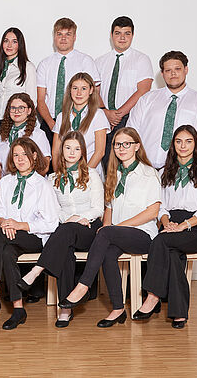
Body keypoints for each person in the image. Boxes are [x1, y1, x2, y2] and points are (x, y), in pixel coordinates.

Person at [60, 127, 161, 328]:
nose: (121, 148)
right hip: (117, 234)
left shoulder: (149, 174)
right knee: (106, 252)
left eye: (126, 144)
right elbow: (109, 208)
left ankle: (83, 285)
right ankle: (118, 309)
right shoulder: (114, 174)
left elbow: (153, 212)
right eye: (117, 144)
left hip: (143, 235)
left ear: (137, 146)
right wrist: (107, 227)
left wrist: (113, 228)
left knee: (105, 234)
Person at [0, 138, 59, 330]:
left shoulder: (43, 185)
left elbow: (51, 223)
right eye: (16, 155)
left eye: (24, 154)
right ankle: (18, 309)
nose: (20, 159)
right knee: (6, 252)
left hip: (35, 236)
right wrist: (4, 223)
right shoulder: (5, 182)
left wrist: (19, 225)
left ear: (34, 156)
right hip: (8, 235)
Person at [17, 131, 104, 328]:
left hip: (90, 227)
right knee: (65, 251)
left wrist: (79, 219)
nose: (72, 152)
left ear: (82, 152)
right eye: (68, 148)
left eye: (77, 149)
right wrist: (69, 220)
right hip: (66, 230)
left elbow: (98, 208)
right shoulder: (52, 178)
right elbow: (54, 210)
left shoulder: (92, 174)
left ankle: (37, 270)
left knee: (65, 232)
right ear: (61, 150)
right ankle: (65, 309)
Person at [133, 125, 197, 329]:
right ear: (173, 145)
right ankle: (179, 314)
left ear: (196, 144)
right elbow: (161, 206)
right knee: (171, 253)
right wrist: (166, 222)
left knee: (161, 241)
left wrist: (183, 226)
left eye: (188, 141)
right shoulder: (163, 173)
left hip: (196, 228)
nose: (183, 145)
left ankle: (152, 296)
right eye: (178, 141)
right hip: (170, 224)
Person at [127, 50, 197, 168]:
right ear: (162, 73)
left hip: (183, 172)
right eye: (168, 70)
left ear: (186, 70)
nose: (173, 73)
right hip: (145, 169)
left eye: (177, 69)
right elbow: (130, 134)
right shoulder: (146, 99)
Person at [95, 16, 153, 170]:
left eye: (127, 33)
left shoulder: (142, 60)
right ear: (111, 35)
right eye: (118, 33)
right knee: (107, 163)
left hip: (129, 118)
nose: (122, 37)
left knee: (127, 162)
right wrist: (106, 112)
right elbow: (94, 91)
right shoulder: (100, 61)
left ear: (133, 35)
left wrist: (118, 114)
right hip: (105, 117)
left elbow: (143, 89)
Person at [36, 18, 100, 145]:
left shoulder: (86, 61)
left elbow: (94, 94)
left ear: (74, 37)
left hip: (78, 120)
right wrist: (52, 124)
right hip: (50, 121)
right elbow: (40, 100)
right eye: (59, 34)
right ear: (54, 37)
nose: (63, 38)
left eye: (68, 34)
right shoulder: (44, 64)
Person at [51, 73, 109, 175]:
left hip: (90, 173)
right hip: (65, 174)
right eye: (75, 88)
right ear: (70, 90)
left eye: (83, 89)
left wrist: (82, 176)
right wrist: (58, 175)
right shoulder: (62, 116)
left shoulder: (98, 115)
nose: (79, 93)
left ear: (91, 90)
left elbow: (99, 152)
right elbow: (55, 152)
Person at [0, 92, 50, 187]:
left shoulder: (38, 135)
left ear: (29, 111)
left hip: (31, 186)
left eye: (21, 108)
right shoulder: (2, 136)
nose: (16, 111)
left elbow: (45, 166)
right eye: (13, 108)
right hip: (6, 185)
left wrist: (28, 186)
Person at [0, 27, 37, 134]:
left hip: (16, 121)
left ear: (20, 45)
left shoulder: (28, 67)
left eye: (14, 42)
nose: (9, 45)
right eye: (6, 41)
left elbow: (32, 101)